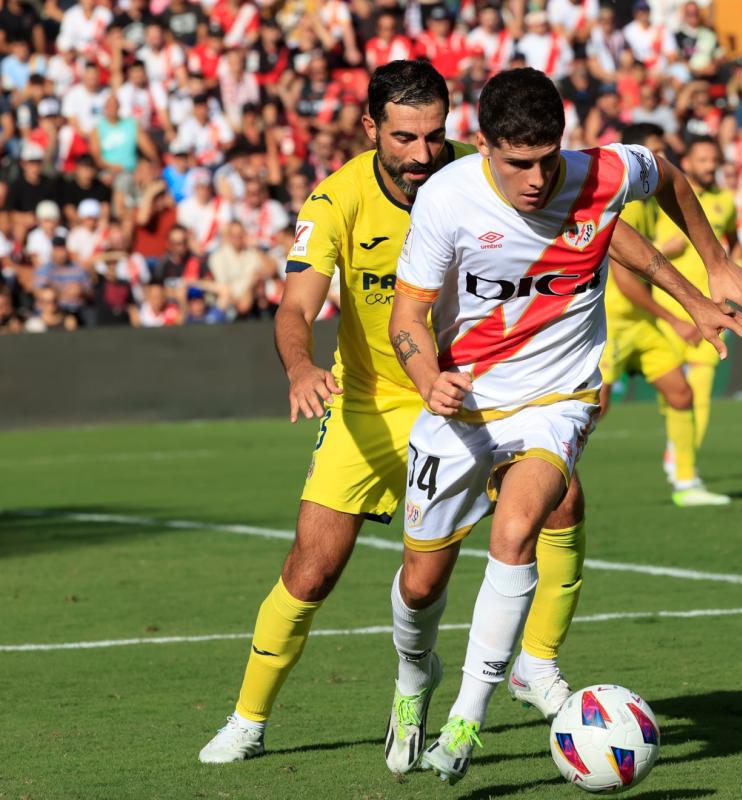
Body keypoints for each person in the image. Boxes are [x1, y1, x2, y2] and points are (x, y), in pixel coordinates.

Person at [387, 67, 742, 784]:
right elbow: (407, 316)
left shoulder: (607, 170)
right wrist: (425, 376)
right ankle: (414, 680)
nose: (535, 178)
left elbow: (671, 180)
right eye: (516, 162)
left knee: (517, 528)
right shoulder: (447, 199)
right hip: (461, 401)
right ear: (482, 147)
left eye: (546, 159)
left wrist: (714, 268)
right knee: (419, 583)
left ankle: (467, 718)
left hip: (556, 396)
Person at [197, 61, 576, 770]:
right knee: (312, 571)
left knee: (560, 501)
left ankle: (536, 666)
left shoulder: (480, 171)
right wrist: (302, 366)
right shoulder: (335, 201)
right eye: (404, 137)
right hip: (368, 401)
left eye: (435, 136)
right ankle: (248, 719)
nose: (422, 155)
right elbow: (294, 307)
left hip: (474, 397)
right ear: (370, 128)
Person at [599, 124, 729, 506]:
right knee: (593, 409)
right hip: (613, 322)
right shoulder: (625, 204)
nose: (660, 162)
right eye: (653, 153)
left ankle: (686, 482)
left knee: (680, 392)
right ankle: (542, 475)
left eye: (662, 152)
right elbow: (625, 282)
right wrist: (674, 318)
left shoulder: (652, 203)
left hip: (640, 321)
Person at [649, 136, 740, 503]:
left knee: (699, 391)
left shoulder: (726, 201)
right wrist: (660, 247)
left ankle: (679, 457)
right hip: (667, 308)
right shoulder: (661, 195)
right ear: (687, 160)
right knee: (673, 391)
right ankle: (678, 449)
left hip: (710, 308)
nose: (708, 165)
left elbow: (732, 244)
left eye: (713, 158)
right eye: (702, 158)